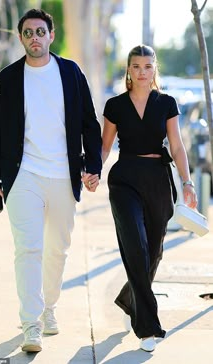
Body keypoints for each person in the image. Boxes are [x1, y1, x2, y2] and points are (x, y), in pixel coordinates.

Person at [0, 9, 102, 353]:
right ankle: (31, 322)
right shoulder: (7, 78)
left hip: (63, 174)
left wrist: (92, 166)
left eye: (40, 31)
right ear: (21, 38)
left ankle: (49, 307)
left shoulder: (71, 73)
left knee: (58, 250)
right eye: (28, 33)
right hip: (23, 176)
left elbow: (89, 124)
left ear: (51, 35)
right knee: (28, 249)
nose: (34, 37)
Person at [102, 44, 197, 352]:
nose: (142, 72)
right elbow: (105, 147)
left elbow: (178, 146)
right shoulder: (115, 105)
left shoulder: (166, 103)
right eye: (136, 66)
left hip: (157, 179)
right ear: (128, 70)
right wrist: (90, 172)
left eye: (147, 66)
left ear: (155, 69)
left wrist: (187, 182)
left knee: (153, 253)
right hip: (124, 180)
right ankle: (148, 327)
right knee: (136, 248)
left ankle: (131, 299)